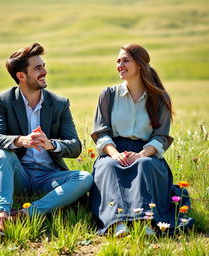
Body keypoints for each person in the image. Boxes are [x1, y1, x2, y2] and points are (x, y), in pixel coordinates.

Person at [0, 42, 93, 241]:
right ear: (21, 76)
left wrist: (51, 144)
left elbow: (75, 146)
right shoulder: (4, 101)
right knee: (2, 154)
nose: (45, 71)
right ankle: (0, 217)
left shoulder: (59, 103)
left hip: (49, 177)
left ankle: (26, 214)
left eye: (43, 66)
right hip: (19, 175)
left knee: (85, 177)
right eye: (38, 68)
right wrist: (20, 141)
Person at [89, 44, 192, 236]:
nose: (120, 65)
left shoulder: (160, 98)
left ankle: (147, 222)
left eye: (125, 60)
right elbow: (101, 132)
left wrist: (142, 153)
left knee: (144, 165)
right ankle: (117, 223)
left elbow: (161, 136)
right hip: (113, 149)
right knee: (110, 167)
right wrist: (115, 154)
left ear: (140, 65)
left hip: (146, 151)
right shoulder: (108, 95)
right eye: (118, 61)